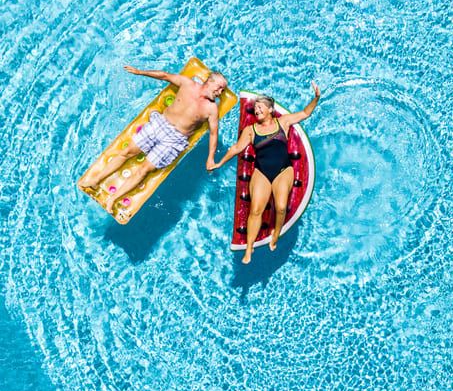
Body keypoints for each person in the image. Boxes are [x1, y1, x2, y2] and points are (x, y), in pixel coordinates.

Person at [78, 65, 228, 213]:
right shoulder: (188, 84)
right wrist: (140, 72)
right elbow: (165, 75)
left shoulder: (212, 109)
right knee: (127, 151)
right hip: (160, 124)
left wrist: (210, 158)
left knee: (144, 169)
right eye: (220, 87)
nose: (220, 92)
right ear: (210, 81)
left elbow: (214, 133)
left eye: (222, 91)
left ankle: (112, 199)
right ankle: (95, 181)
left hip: (175, 140)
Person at [211, 81, 320, 264]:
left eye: (260, 107)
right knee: (255, 210)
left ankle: (275, 233)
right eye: (255, 108)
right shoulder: (251, 130)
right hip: (261, 172)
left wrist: (316, 98)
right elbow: (236, 148)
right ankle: (248, 248)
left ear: (270, 109)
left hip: (284, 170)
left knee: (281, 207)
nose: (257, 110)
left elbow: (305, 113)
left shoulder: (282, 122)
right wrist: (218, 162)